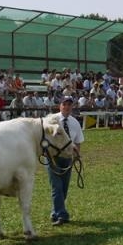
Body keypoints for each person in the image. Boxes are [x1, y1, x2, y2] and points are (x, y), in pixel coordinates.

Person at [49, 96, 84, 226]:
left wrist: (77, 155)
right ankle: (62, 215)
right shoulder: (52, 120)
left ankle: (55, 212)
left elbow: (78, 141)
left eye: (69, 104)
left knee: (63, 188)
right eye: (65, 104)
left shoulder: (75, 122)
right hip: (54, 157)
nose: (67, 107)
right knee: (56, 187)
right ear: (60, 105)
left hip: (68, 158)